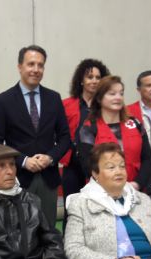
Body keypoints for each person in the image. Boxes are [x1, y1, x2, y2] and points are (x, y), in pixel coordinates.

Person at [0, 45, 71, 227]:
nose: (36, 69)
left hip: (48, 179)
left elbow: (65, 138)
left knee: (47, 231)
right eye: (31, 64)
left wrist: (50, 157)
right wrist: (23, 160)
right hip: (17, 178)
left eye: (40, 65)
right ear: (20, 66)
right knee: (19, 232)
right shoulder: (4, 101)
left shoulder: (54, 98)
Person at [77, 75, 151, 191]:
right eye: (112, 94)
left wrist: (137, 184)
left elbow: (147, 159)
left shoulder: (135, 123)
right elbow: (88, 166)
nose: (118, 98)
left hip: (136, 190)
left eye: (121, 93)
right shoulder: (89, 128)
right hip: (102, 192)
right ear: (99, 98)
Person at [61, 59, 110, 218]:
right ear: (81, 80)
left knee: (98, 210)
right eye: (90, 77)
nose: (94, 81)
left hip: (99, 165)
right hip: (72, 165)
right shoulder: (66, 104)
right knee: (73, 211)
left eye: (98, 77)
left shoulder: (107, 106)